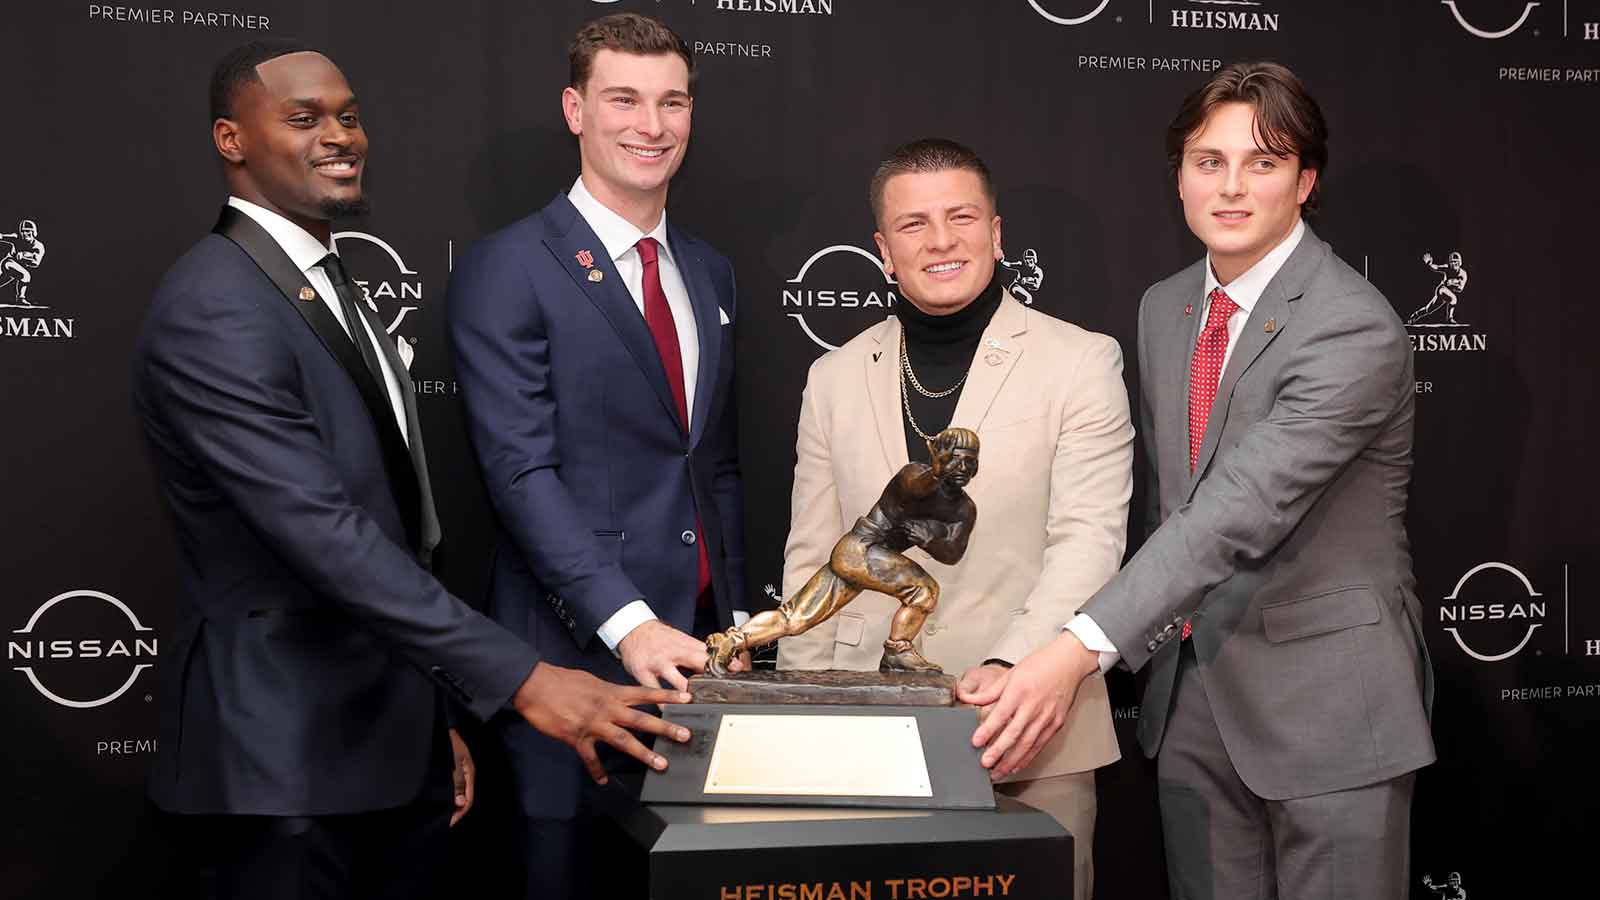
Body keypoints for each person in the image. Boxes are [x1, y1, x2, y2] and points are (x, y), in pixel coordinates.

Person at [132, 40, 689, 900]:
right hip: (280, 769)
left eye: (349, 116)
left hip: (386, 751)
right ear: (230, 139)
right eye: (303, 118)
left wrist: (434, 724)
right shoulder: (216, 304)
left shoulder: (326, 282)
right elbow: (328, 539)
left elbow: (395, 528)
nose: (339, 137)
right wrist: (526, 680)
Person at [963, 62, 1435, 900]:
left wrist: (1072, 653)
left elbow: (1236, 510)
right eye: (1208, 161)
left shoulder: (1352, 328)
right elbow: (1173, 505)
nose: (1231, 187)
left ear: (1306, 181)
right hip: (1191, 710)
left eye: (1263, 162)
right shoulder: (1165, 305)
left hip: (1329, 715)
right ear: (1179, 175)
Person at [778, 138, 1134, 900]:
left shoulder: (1082, 361)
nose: (940, 241)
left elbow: (1089, 541)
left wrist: (1016, 673)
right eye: (913, 225)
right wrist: (801, 715)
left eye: (960, 217)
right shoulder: (833, 376)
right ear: (882, 249)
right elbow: (814, 553)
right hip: (860, 729)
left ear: (996, 233)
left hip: (1031, 732)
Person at [446, 14, 747, 900]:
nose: (651, 125)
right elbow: (518, 473)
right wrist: (627, 621)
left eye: (672, 102)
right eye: (624, 99)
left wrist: (731, 631)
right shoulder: (510, 265)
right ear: (576, 109)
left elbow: (714, 467)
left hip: (698, 667)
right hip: (571, 667)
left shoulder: (711, 270)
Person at [707, 426, 979, 675]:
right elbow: (915, 488)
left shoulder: (964, 510)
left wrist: (929, 539)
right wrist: (936, 472)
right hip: (858, 550)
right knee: (924, 589)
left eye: (970, 461)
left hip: (861, 558)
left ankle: (732, 640)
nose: (962, 468)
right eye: (955, 459)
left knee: (796, 617)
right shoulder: (914, 476)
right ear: (938, 457)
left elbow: (953, 553)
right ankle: (897, 650)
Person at [0, 219, 44, 304]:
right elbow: (3, 236)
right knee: (26, 276)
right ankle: (21, 298)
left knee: (3, 280)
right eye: (23, 231)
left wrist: (24, 256)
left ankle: (20, 298)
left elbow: (36, 263)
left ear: (34, 232)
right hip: (9, 263)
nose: (25, 234)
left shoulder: (38, 246)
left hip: (18, 266)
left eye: (28, 231)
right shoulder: (17, 239)